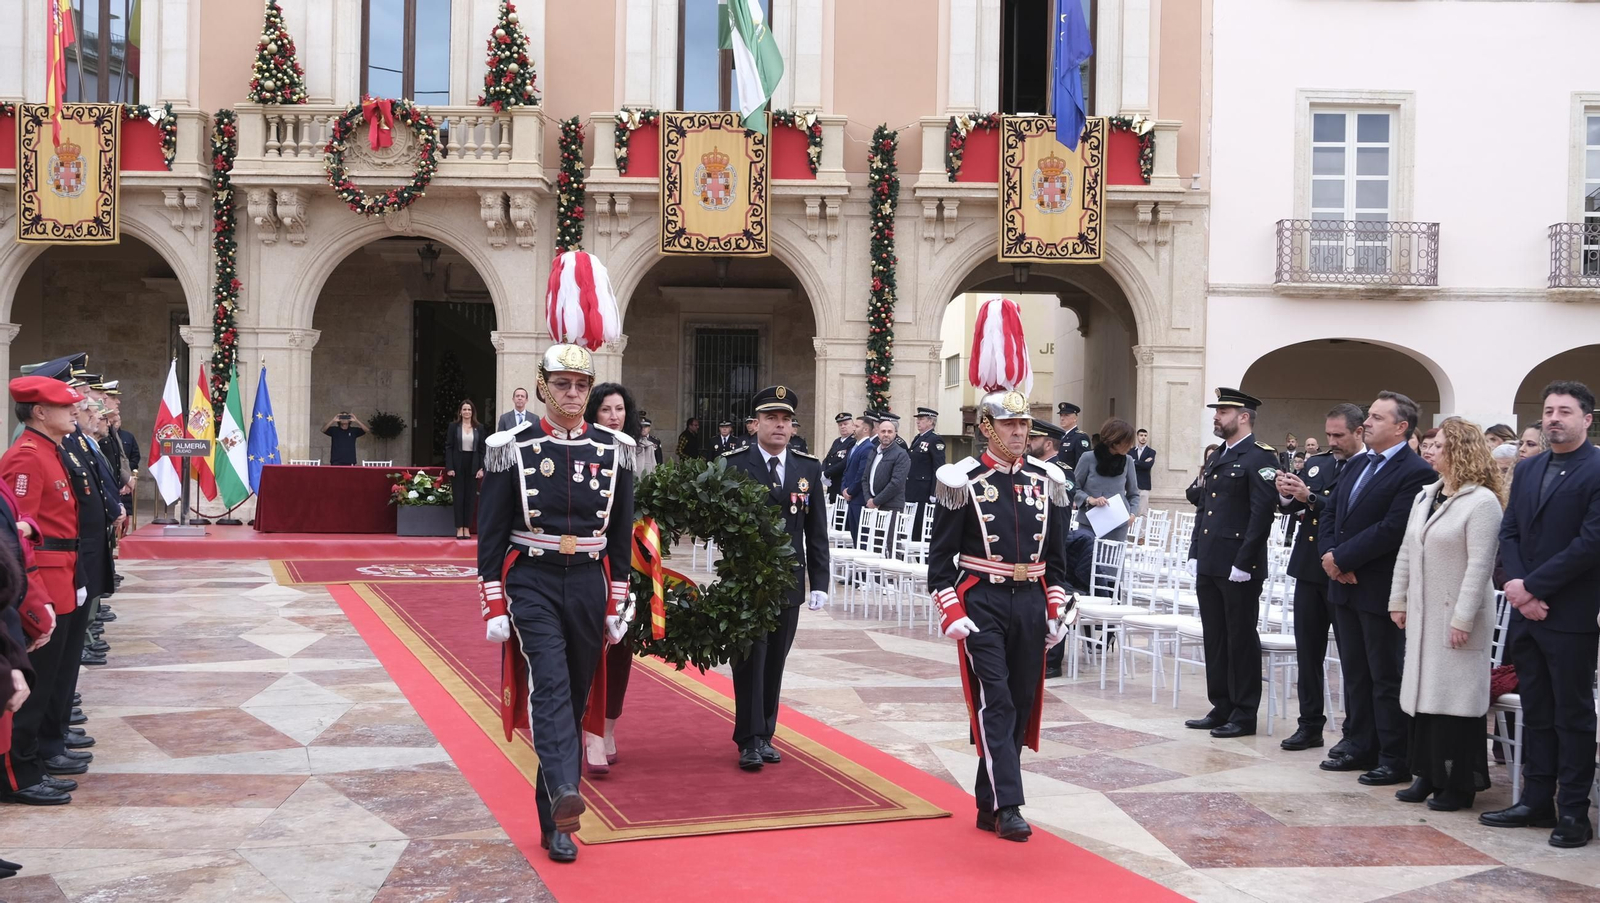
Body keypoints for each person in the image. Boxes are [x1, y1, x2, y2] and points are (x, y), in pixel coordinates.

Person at [477, 251, 635, 864]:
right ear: (542, 387)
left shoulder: (616, 449)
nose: (573, 393)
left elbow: (619, 538)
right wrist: (492, 599)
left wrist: (619, 599)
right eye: (562, 384)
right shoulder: (509, 448)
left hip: (588, 582)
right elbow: (491, 538)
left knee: (572, 693)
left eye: (582, 385)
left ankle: (556, 818)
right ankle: (568, 791)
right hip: (534, 579)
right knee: (546, 682)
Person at [930, 299, 1072, 841]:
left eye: (1024, 424)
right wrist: (951, 609)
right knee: (997, 700)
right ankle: (1011, 804)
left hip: (1031, 601)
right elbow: (939, 559)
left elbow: (1057, 560)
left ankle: (989, 800)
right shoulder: (960, 478)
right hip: (982, 600)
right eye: (1009, 424)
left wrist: (1057, 605)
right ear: (986, 426)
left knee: (1022, 699)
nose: (1020, 433)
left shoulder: (1047, 480)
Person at [1483, 381, 1600, 848]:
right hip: (1526, 612)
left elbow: (1591, 543)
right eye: (1549, 410)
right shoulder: (1529, 471)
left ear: (1586, 419)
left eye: (1565, 411)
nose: (1554, 418)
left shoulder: (1596, 468)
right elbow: (1509, 530)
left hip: (1569, 612)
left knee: (1572, 713)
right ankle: (1535, 800)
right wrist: (1518, 585)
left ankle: (1574, 811)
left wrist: (1532, 586)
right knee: (1537, 710)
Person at [1318, 391, 1438, 786]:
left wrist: (1344, 560)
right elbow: (1332, 513)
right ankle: (1359, 743)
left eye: (1376, 417)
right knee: (1354, 671)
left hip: (1379, 588)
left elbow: (1392, 529)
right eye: (1368, 415)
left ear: (1401, 427)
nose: (1366, 423)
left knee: (1384, 674)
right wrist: (1331, 558)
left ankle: (1393, 755)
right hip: (1344, 584)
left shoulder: (1415, 470)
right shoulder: (1357, 464)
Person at [1388, 416, 1503, 812]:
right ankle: (1427, 774)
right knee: (1424, 697)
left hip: (1456, 616)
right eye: (1430, 445)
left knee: (1454, 702)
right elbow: (1407, 550)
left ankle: (1458, 784)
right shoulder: (1426, 496)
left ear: (1460, 451)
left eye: (1439, 446)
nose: (1430, 451)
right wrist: (1398, 600)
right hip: (1423, 613)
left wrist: (1463, 618)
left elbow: (1480, 565)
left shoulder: (1481, 502)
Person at [720, 385, 829, 770]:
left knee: (775, 660)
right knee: (750, 658)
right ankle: (747, 739)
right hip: (746, 580)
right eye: (771, 419)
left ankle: (765, 733)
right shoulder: (733, 465)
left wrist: (820, 582)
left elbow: (816, 531)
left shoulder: (807, 468)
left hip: (788, 580)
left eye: (785, 420)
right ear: (755, 424)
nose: (779, 426)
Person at [0, 376, 81, 807]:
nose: (74, 410)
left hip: (61, 573)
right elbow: (17, 538)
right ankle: (20, 772)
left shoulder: (51, 451)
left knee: (50, 678)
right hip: (41, 578)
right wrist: (35, 598)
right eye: (64, 405)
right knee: (30, 684)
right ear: (39, 412)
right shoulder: (27, 457)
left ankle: (37, 757)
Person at [1184, 389, 1277, 738]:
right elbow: (1203, 508)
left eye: (1223, 411)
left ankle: (1244, 712)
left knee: (1240, 639)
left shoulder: (1260, 457)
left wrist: (1245, 561)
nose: (1216, 416)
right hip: (1210, 560)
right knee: (1216, 637)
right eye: (1217, 410)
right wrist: (1195, 551)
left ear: (1243, 417)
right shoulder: (1218, 456)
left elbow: (1261, 515)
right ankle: (1221, 704)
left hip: (1239, 565)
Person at [1273, 403, 1364, 754]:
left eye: (1339, 435)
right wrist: (1286, 493)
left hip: (1344, 569)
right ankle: (1309, 724)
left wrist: (1308, 496)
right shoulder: (1319, 463)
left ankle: (1353, 728)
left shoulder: (1365, 468)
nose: (1332, 441)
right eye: (1328, 435)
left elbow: (1344, 511)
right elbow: (1294, 508)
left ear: (1359, 432)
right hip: (1309, 567)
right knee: (1308, 652)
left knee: (1351, 655)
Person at [580, 382, 644, 773]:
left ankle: (607, 728)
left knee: (620, 648)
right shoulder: (580, 450)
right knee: (584, 649)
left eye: (620, 409)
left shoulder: (639, 452)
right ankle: (583, 729)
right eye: (606, 409)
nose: (614, 416)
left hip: (627, 564)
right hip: (587, 564)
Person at [1073, 419, 1141, 545]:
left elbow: (1134, 494)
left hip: (1118, 525)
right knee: (1085, 562)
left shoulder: (1128, 461)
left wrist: (1132, 514)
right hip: (1089, 524)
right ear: (1115, 441)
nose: (1131, 446)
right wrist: (1090, 499)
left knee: (1110, 563)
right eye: (1128, 442)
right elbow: (1073, 487)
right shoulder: (1088, 458)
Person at [858, 413, 911, 528]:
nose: (886, 434)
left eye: (889, 431)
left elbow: (896, 484)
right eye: (883, 431)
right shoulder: (873, 451)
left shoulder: (901, 454)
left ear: (895, 434)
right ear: (878, 433)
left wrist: (876, 501)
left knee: (890, 543)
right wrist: (869, 500)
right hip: (872, 506)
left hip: (891, 506)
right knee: (874, 543)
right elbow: (865, 478)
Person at [444, 400, 485, 540]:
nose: (467, 412)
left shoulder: (478, 427)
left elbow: (482, 450)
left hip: (473, 464)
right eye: (464, 409)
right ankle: (459, 527)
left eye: (469, 410)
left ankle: (467, 527)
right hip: (457, 464)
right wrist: (449, 467)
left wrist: (481, 468)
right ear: (460, 412)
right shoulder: (453, 426)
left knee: (470, 497)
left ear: (472, 412)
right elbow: (449, 447)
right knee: (459, 496)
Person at [905, 407, 945, 537]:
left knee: (919, 526)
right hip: (913, 489)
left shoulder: (935, 440)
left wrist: (934, 492)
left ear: (930, 421)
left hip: (924, 491)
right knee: (911, 525)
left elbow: (938, 468)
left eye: (921, 419)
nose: (918, 422)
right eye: (918, 419)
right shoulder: (918, 438)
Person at [839, 412, 880, 536]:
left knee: (861, 536)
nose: (853, 429)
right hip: (850, 498)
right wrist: (843, 489)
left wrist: (850, 491)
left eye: (856, 426)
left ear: (866, 429)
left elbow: (861, 474)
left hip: (859, 498)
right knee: (854, 534)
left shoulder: (868, 447)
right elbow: (847, 471)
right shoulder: (854, 447)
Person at [822, 412, 857, 502]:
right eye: (840, 424)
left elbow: (845, 462)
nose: (842, 426)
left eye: (845, 424)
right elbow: (828, 458)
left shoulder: (853, 441)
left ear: (853, 425)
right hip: (832, 484)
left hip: (842, 483)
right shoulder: (837, 441)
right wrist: (822, 471)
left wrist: (827, 474)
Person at [1056, 402, 1090, 471]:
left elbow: (1082, 465)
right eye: (1061, 415)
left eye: (1066, 415)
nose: (1062, 418)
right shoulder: (1060, 436)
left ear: (1075, 418)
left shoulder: (1080, 437)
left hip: (1070, 478)